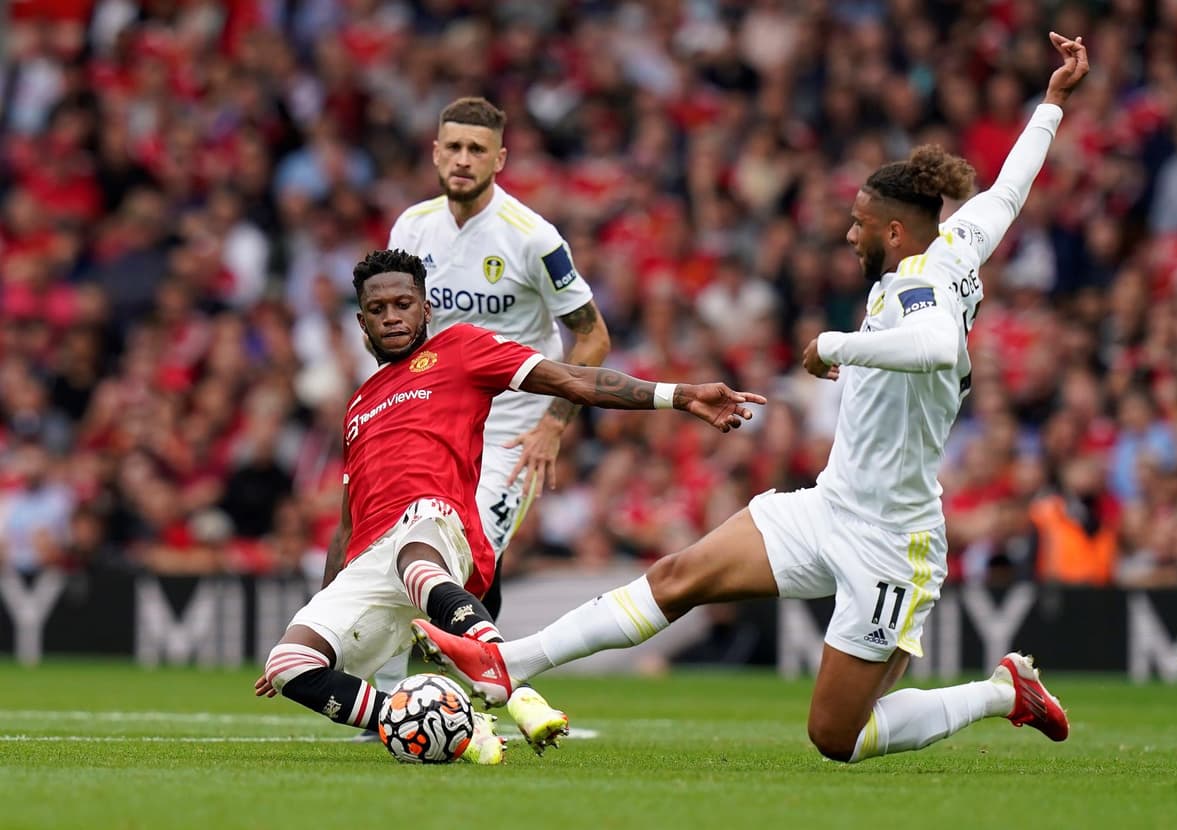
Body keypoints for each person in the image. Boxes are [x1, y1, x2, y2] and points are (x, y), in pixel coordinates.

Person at [412, 33, 1089, 764]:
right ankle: (511, 662)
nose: (847, 232)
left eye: (859, 224)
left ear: (895, 232)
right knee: (681, 576)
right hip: (831, 505)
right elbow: (1010, 189)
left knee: (838, 736)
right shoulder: (957, 243)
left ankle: (1000, 693)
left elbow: (936, 348)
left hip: (895, 540)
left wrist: (835, 346)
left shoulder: (920, 287)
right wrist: (1051, 102)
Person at [254, 249, 763, 765]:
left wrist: (677, 395)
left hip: (435, 525)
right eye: (378, 308)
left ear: (426, 309)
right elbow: (346, 527)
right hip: (369, 559)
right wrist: (317, 609)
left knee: (416, 561)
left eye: (403, 303)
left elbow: (571, 380)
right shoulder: (358, 405)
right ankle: (434, 723)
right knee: (289, 663)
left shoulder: (462, 348)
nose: (392, 316)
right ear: (362, 321)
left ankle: (517, 691)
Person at [361, 97, 612, 740]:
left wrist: (554, 424)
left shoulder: (533, 238)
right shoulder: (411, 228)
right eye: (454, 147)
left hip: (510, 430)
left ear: (500, 159)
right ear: (435, 153)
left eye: (478, 149)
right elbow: (400, 327)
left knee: (472, 558)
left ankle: (480, 700)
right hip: (433, 418)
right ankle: (396, 699)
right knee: (404, 548)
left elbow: (591, 338)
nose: (464, 160)